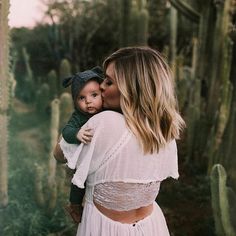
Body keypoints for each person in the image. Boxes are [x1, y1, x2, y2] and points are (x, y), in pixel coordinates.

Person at [54, 46, 185, 235]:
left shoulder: (103, 123)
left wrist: (79, 119)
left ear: (131, 88)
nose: (101, 87)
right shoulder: (165, 130)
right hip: (152, 226)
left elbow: (59, 155)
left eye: (109, 82)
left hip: (105, 228)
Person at [61, 66, 104, 223]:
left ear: (102, 94)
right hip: (85, 160)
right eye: (81, 98)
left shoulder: (107, 111)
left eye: (94, 95)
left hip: (102, 160)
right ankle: (74, 206)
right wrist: (77, 133)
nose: (88, 101)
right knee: (78, 182)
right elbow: (67, 131)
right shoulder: (79, 116)